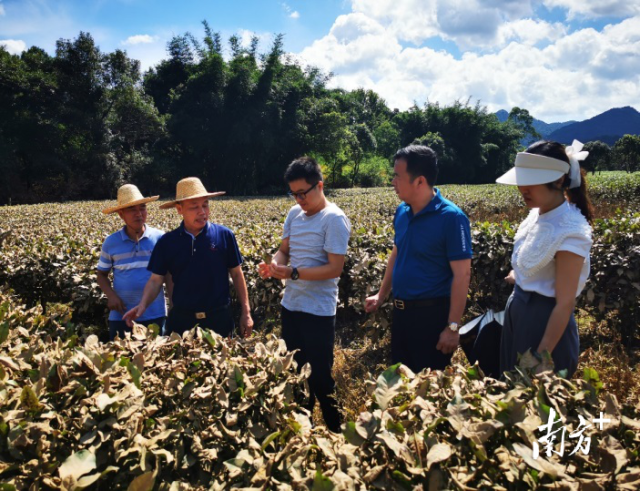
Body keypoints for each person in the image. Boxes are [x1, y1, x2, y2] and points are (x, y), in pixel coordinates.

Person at [258, 157, 351, 433]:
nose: (299, 199)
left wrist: (292, 273)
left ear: (319, 186)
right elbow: (284, 249)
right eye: (294, 194)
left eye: (303, 193)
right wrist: (275, 264)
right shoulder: (293, 215)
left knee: (321, 378)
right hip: (292, 306)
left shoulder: (334, 219)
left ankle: (337, 433)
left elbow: (335, 269)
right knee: (297, 374)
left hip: (319, 312)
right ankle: (304, 433)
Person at [364, 145, 472, 373]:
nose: (393, 181)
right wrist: (381, 294)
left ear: (420, 181)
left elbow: (462, 275)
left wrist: (452, 327)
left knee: (429, 390)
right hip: (401, 314)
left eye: (397, 176)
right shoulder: (402, 212)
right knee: (401, 385)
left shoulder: (451, 218)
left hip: (431, 317)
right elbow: (397, 252)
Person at [496, 140, 593, 377]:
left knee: (538, 405)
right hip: (519, 316)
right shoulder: (536, 215)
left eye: (531, 181)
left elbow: (564, 303)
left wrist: (541, 357)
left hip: (544, 325)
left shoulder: (570, 230)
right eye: (522, 180)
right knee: (514, 400)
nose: (523, 189)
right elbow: (540, 263)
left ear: (559, 180)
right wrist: (519, 276)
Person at [123, 177, 254, 338]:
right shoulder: (167, 242)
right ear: (179, 209)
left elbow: (237, 274)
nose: (202, 212)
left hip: (219, 319)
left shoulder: (224, 235)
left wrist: (246, 312)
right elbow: (156, 280)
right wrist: (142, 306)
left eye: (205, 205)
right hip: (182, 322)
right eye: (194, 207)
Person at [97, 184, 169, 340]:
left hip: (155, 314)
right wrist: (111, 296)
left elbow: (168, 276)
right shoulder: (111, 242)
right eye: (132, 210)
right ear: (121, 214)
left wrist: (175, 307)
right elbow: (101, 275)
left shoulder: (160, 238)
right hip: (121, 316)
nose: (139, 214)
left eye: (142, 208)